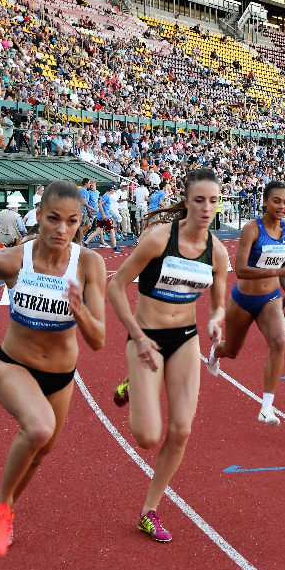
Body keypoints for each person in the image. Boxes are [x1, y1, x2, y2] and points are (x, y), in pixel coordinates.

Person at [0, 180, 106, 557]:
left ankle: (8, 509)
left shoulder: (89, 264)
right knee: (39, 427)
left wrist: (80, 311)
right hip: (12, 364)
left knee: (42, 450)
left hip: (60, 377)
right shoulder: (16, 259)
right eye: (53, 219)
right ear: (39, 216)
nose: (62, 229)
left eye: (72, 221)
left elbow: (98, 340)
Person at [106, 168, 228, 544]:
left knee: (181, 431)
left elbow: (218, 302)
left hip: (185, 339)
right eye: (199, 200)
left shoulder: (217, 251)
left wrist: (216, 320)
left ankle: (149, 510)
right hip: (147, 337)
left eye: (213, 201)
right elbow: (116, 287)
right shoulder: (159, 238)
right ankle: (133, 382)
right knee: (147, 436)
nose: (206, 208)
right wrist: (138, 336)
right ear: (186, 201)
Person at [206, 181, 285, 425]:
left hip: (270, 299)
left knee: (279, 342)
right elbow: (240, 270)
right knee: (232, 351)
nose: (282, 206)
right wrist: (280, 272)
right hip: (243, 299)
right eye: (276, 201)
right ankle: (216, 351)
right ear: (265, 202)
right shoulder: (252, 229)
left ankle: (266, 407)